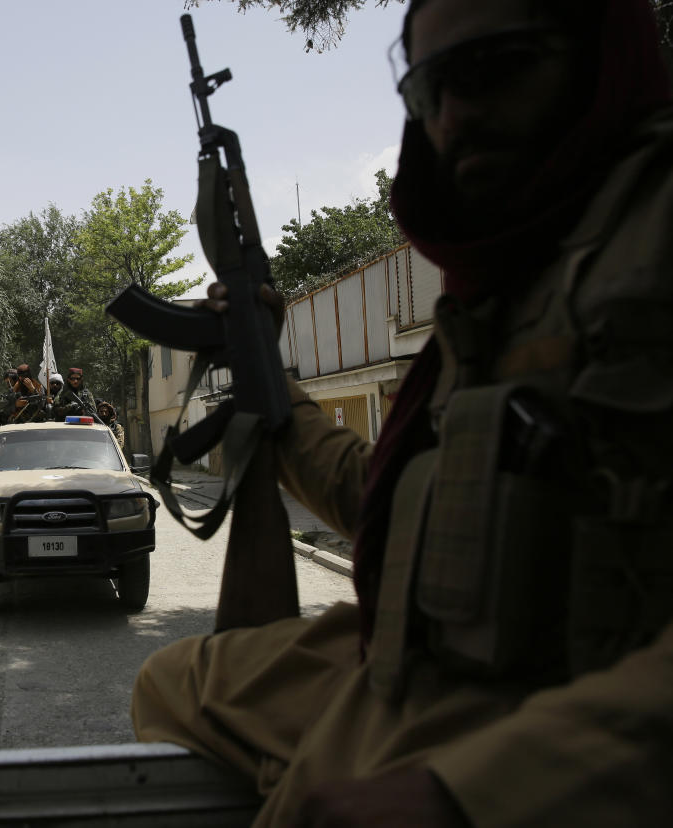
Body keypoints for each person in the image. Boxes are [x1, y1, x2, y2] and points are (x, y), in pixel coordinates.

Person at [131, 1, 673, 825]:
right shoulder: (498, 287)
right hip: (415, 666)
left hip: (558, 709)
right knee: (173, 681)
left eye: (496, 67)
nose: (455, 116)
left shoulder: (643, 239)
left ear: (599, 54)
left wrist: (471, 794)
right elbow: (389, 506)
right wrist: (264, 375)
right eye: (428, 89)